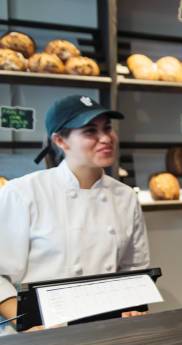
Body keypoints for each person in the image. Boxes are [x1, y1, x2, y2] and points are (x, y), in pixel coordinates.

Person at [0, 95, 150, 332]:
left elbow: (134, 269)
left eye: (107, 128)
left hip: (109, 328)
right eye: (90, 131)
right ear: (60, 140)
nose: (105, 138)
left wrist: (134, 306)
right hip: (42, 331)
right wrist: (24, 321)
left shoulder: (125, 197)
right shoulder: (22, 193)